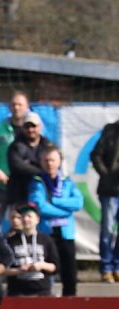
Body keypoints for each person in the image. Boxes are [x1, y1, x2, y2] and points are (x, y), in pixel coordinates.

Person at [28, 145, 83, 297]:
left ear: (59, 162)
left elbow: (78, 203)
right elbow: (41, 207)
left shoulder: (67, 182)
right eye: (46, 160)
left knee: (69, 269)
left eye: (52, 160)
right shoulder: (37, 182)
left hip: (66, 233)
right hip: (47, 233)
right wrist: (65, 211)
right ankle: (47, 298)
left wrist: (56, 201)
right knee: (48, 267)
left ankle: (70, 299)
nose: (49, 163)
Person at [0, 91, 30, 229]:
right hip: (1, 185)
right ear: (9, 107)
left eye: (20, 104)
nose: (17, 107)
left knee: (22, 222)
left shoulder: (32, 129)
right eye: (14, 104)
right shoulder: (0, 130)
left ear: (27, 106)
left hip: (23, 186)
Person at [4, 203, 59, 297]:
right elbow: (2, 269)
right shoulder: (10, 241)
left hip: (42, 292)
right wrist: (18, 270)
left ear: (37, 219)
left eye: (29, 216)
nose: (26, 219)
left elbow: (55, 267)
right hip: (17, 293)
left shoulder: (46, 240)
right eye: (23, 216)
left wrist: (41, 265)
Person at [89, 119, 119, 283]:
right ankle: (106, 267)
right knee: (107, 230)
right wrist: (107, 174)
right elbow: (95, 154)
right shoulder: (110, 130)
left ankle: (117, 266)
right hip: (110, 191)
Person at [7, 111, 53, 208]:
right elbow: (17, 165)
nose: (30, 129)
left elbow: (54, 163)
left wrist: (29, 163)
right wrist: (41, 171)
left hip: (42, 195)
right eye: (27, 126)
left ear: (40, 127)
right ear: (23, 128)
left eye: (33, 126)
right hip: (19, 195)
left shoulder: (48, 145)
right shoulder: (15, 146)